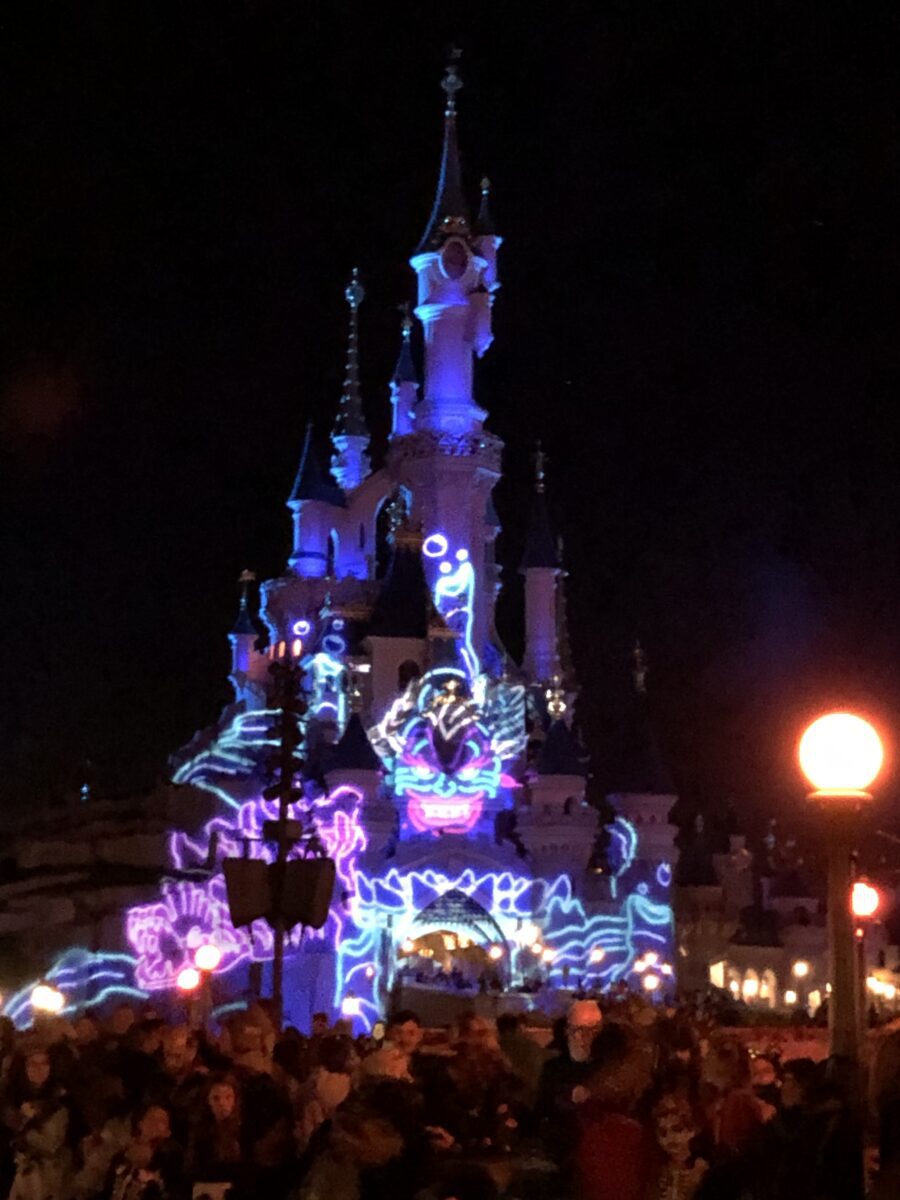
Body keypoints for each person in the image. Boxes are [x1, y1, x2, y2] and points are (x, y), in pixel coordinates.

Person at [496, 1014, 545, 1107]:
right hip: (528, 1100)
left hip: (503, 1101)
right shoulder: (530, 1047)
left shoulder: (495, 1049)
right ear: (517, 1028)